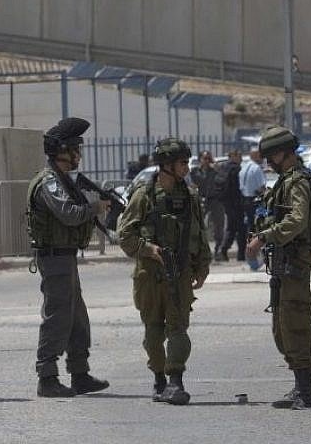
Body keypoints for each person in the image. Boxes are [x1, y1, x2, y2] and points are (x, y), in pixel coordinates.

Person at [118, 137, 211, 405]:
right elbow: (124, 236)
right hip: (150, 276)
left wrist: (202, 266)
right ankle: (159, 378)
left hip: (180, 273)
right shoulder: (143, 196)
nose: (187, 167)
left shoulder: (190, 195)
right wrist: (148, 249)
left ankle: (175, 380)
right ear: (167, 165)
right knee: (153, 332)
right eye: (183, 162)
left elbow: (200, 234)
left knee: (178, 328)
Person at [27, 117, 111, 398]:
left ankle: (80, 373)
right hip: (54, 258)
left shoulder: (64, 180)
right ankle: (47, 377)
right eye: (76, 148)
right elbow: (69, 214)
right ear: (63, 151)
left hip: (66, 257)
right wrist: (95, 207)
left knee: (77, 318)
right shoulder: (50, 182)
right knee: (57, 316)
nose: (79, 155)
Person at [245, 125, 311, 409]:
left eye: (270, 157)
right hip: (281, 262)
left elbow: (297, 220)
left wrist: (264, 236)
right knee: (281, 327)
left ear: (281, 154)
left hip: (294, 262)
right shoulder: (285, 181)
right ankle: (299, 386)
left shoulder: (297, 181)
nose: (267, 163)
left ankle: (306, 389)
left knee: (295, 324)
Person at [191, 151, 225, 261]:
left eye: (208, 158)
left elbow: (223, 180)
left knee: (219, 225)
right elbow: (198, 182)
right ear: (200, 159)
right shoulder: (195, 171)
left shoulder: (215, 170)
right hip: (202, 200)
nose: (206, 160)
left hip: (215, 200)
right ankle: (201, 251)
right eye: (204, 158)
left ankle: (218, 250)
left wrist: (216, 169)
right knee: (199, 225)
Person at [219, 150, 245, 261]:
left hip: (227, 203)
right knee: (241, 229)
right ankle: (240, 254)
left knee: (231, 228)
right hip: (236, 203)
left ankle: (223, 251)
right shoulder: (236, 169)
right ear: (233, 156)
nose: (241, 159)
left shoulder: (223, 167)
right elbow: (237, 188)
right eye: (239, 156)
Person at [239, 146, 267, 236]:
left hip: (244, 199)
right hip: (254, 200)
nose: (263, 157)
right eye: (260, 155)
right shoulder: (256, 168)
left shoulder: (244, 167)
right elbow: (261, 187)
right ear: (255, 155)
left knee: (248, 225)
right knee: (256, 225)